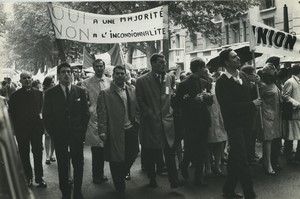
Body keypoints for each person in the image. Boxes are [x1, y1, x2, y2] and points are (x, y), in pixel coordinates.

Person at [215, 48, 261, 199]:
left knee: (236, 157)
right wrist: (252, 104)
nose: (238, 58)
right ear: (227, 62)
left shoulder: (243, 75)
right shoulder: (222, 82)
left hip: (247, 124)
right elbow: (229, 107)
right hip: (234, 125)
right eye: (234, 57)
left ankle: (228, 189)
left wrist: (256, 86)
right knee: (242, 159)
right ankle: (250, 194)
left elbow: (251, 96)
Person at [43, 63, 89, 199]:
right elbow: (46, 116)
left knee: (78, 164)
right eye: (63, 72)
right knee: (62, 165)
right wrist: (53, 133)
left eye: (69, 71)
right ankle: (65, 192)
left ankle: (78, 191)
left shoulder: (80, 91)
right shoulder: (50, 93)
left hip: (76, 134)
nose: (67, 74)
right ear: (58, 75)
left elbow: (85, 114)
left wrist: (81, 130)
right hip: (60, 135)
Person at [136, 53, 180, 189]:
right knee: (151, 152)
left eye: (164, 62)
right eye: (161, 62)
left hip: (167, 121)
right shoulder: (142, 80)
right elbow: (139, 100)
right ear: (153, 63)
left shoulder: (169, 78)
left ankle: (174, 181)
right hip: (151, 122)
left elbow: (170, 96)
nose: (164, 64)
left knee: (170, 152)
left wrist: (170, 110)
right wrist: (148, 113)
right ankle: (152, 179)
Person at [97, 65, 139, 194]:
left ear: (126, 75)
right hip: (114, 131)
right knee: (116, 159)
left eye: (123, 73)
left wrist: (137, 121)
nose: (120, 76)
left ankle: (120, 175)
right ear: (113, 76)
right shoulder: (105, 93)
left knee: (133, 152)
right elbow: (102, 114)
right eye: (118, 74)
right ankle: (120, 188)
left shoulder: (132, 90)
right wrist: (102, 131)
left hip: (130, 129)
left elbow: (137, 108)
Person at [174, 57, 213, 186]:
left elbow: (210, 102)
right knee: (191, 148)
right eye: (204, 67)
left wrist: (208, 97)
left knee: (202, 148)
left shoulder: (204, 82)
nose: (206, 70)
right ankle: (184, 165)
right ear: (198, 68)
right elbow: (176, 103)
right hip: (190, 121)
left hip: (203, 119)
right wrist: (193, 100)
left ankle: (198, 177)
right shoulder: (184, 84)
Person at [8, 71, 47, 188]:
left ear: (32, 79)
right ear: (20, 81)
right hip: (22, 130)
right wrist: (14, 129)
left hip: (36, 129)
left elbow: (43, 111)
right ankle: (28, 177)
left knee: (38, 154)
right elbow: (12, 114)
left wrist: (42, 127)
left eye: (29, 78)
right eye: (24, 78)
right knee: (24, 154)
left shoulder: (39, 94)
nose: (27, 80)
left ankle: (39, 178)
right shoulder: (14, 96)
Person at [81, 59, 110, 184]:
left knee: (105, 147)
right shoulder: (86, 83)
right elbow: (83, 99)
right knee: (96, 148)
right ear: (93, 68)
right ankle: (96, 175)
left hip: (108, 118)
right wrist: (89, 108)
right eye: (97, 66)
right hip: (94, 119)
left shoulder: (110, 82)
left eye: (101, 66)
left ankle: (101, 172)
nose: (99, 68)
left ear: (104, 67)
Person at [257, 63, 282, 175]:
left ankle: (266, 160)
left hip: (275, 114)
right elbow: (258, 98)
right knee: (268, 140)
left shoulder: (274, 84)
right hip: (267, 115)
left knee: (272, 139)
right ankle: (268, 163)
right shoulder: (261, 86)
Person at [205, 70, 228, 176]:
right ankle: (208, 165)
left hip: (218, 115)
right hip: (208, 115)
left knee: (220, 141)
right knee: (208, 143)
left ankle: (217, 164)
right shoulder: (201, 87)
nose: (209, 76)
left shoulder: (215, 86)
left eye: (209, 74)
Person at [282, 64, 300, 164]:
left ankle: (298, 156)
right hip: (293, 113)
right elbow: (285, 96)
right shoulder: (290, 82)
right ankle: (288, 156)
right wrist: (296, 103)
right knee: (290, 136)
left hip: (298, 113)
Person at [42, 76, 56, 165]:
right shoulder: (42, 93)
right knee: (47, 136)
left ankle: (52, 154)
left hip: (55, 117)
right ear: (47, 83)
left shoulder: (56, 92)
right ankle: (47, 155)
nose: (53, 84)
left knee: (54, 136)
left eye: (54, 82)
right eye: (52, 82)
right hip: (46, 117)